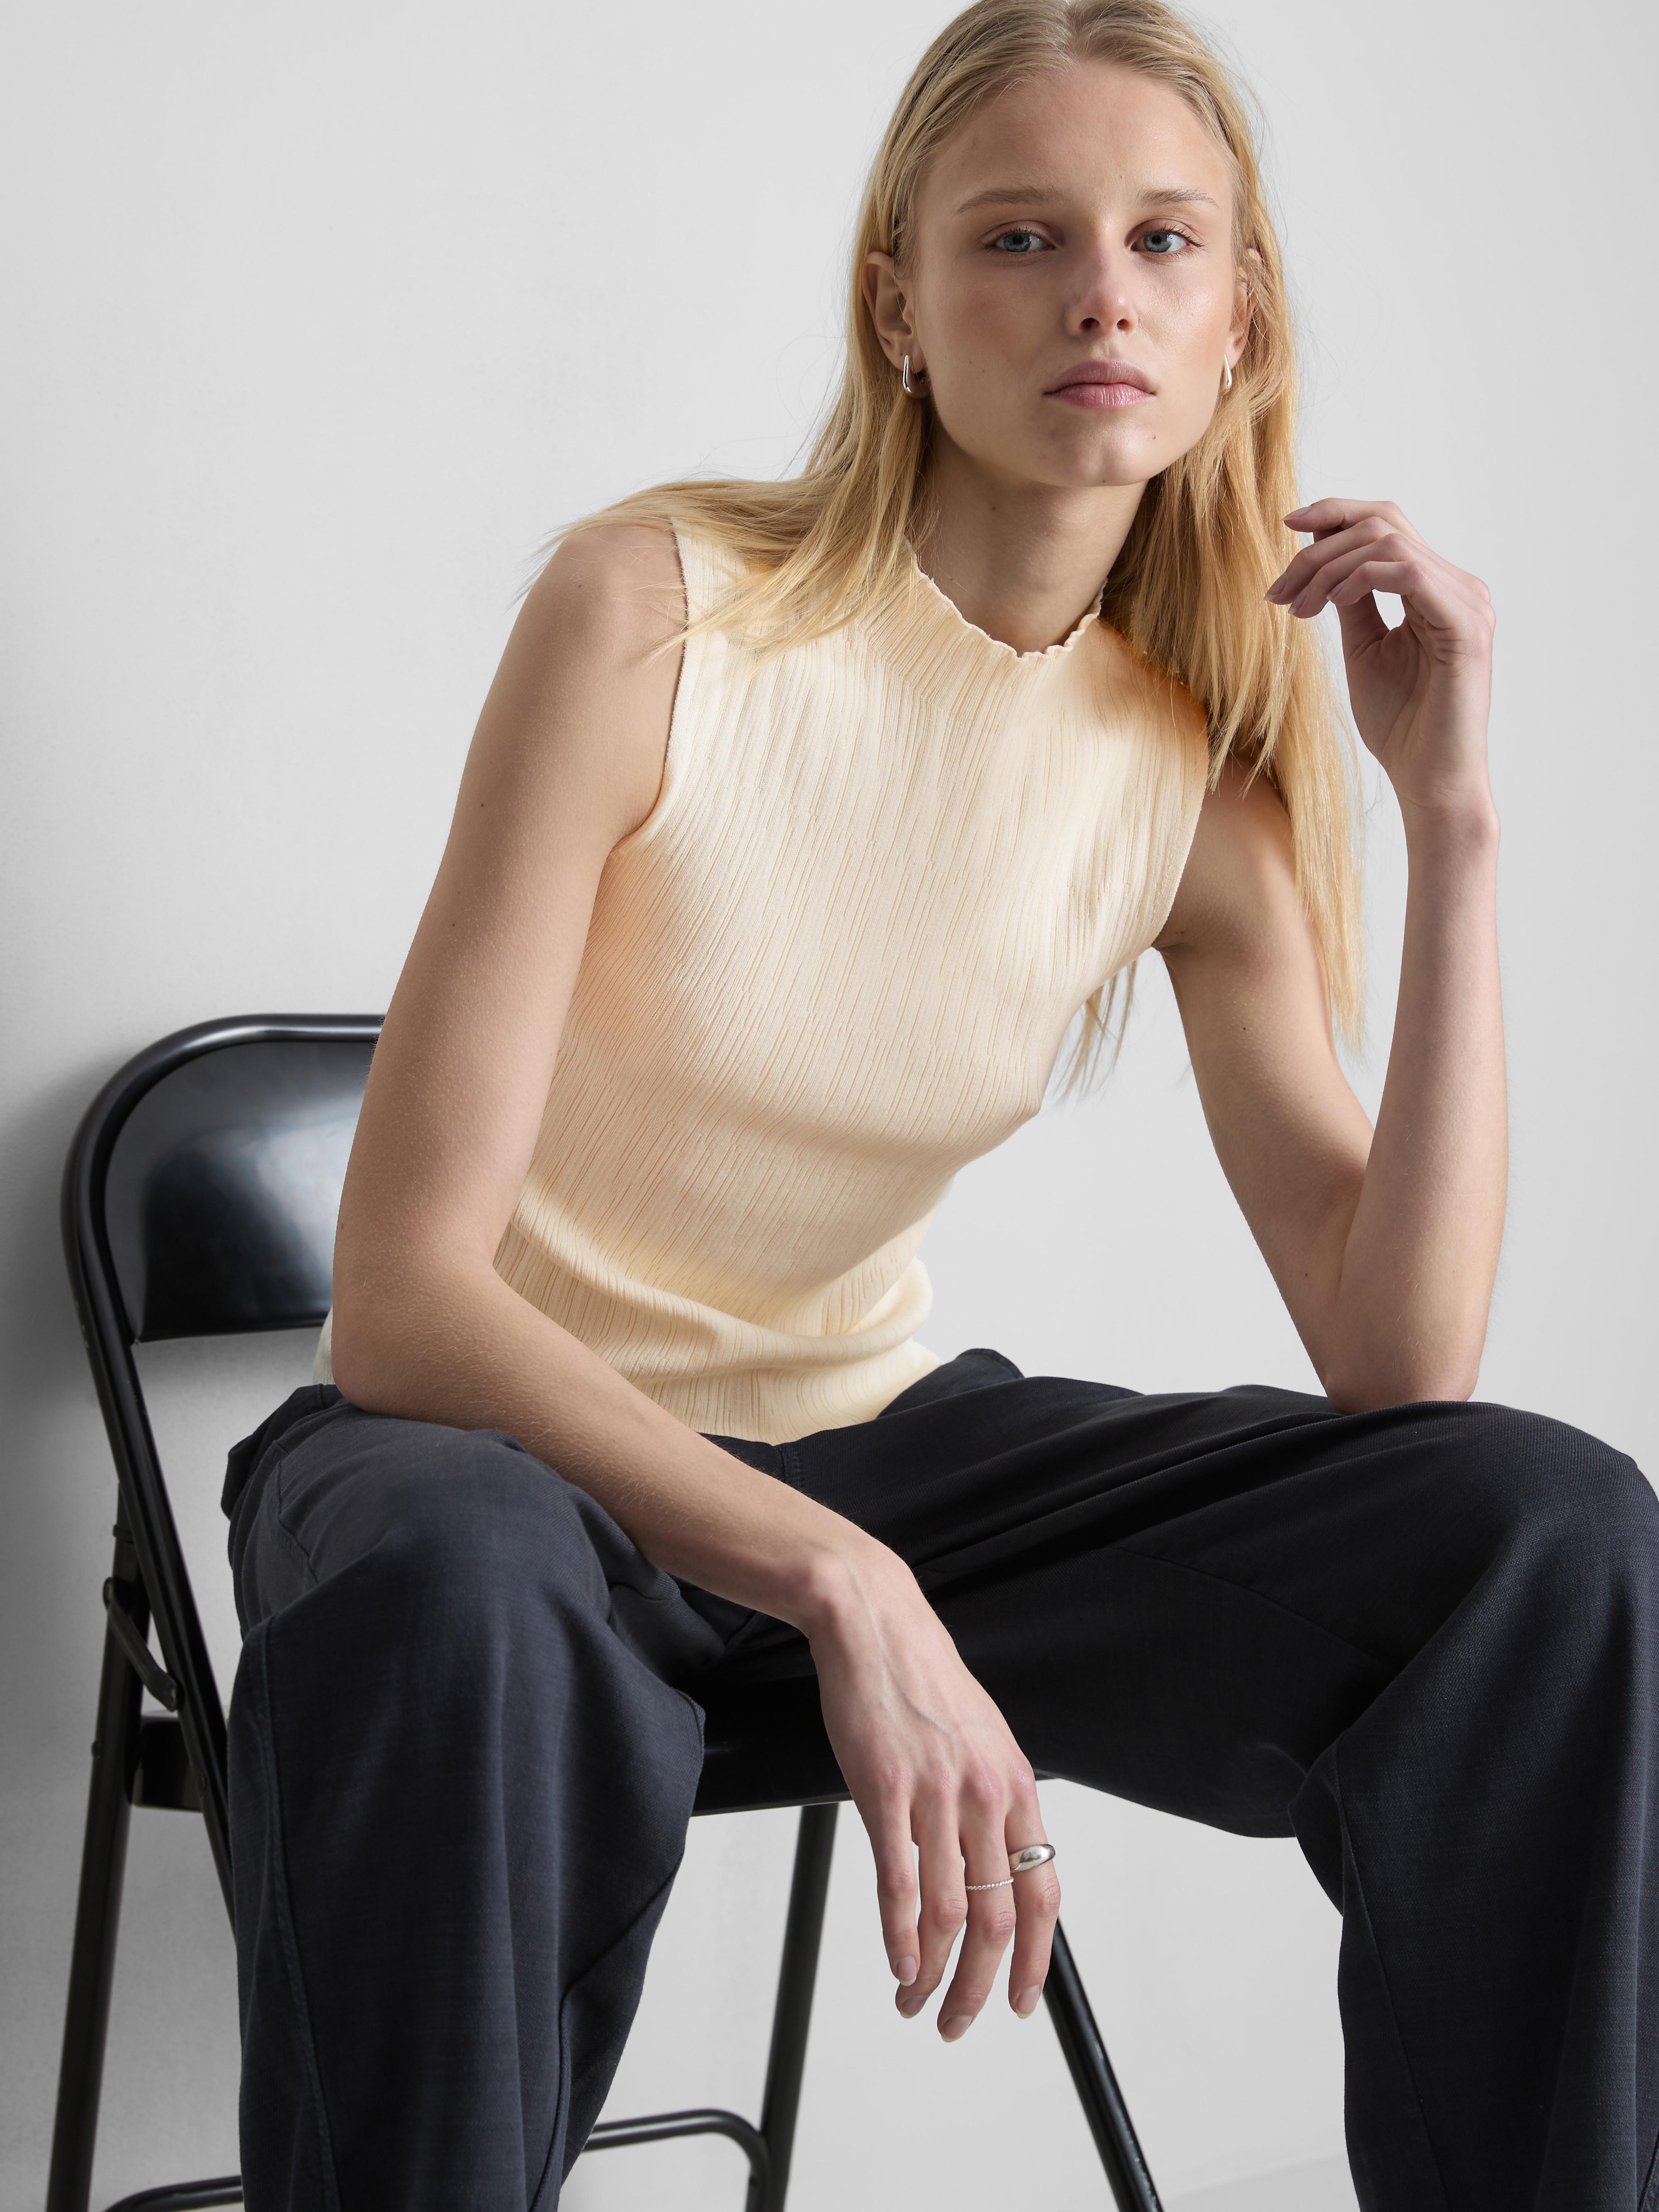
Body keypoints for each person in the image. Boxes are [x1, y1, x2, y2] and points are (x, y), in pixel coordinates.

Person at [218, 1, 1659, 2206]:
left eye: (1165, 241)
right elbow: (403, 1300)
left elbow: (1399, 1365)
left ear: (1240, 321)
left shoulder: (1193, 776)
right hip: (492, 1462)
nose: (1102, 295)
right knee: (457, 1585)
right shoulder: (653, 614)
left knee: (1548, 1532)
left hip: (876, 1445)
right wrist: (840, 1579)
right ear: (896, 306)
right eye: (1019, 237)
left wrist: (1450, 815)